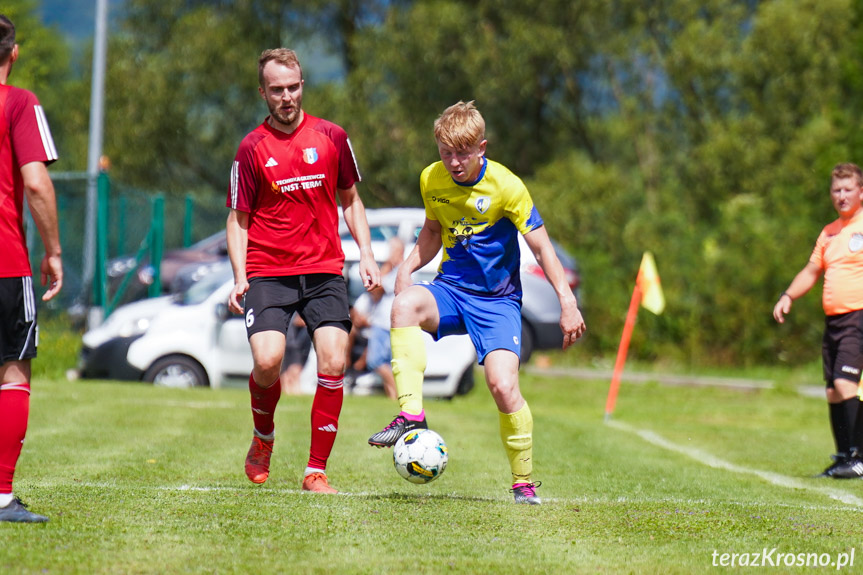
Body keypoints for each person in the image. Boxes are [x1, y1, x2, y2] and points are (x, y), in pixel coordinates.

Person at [367, 101, 586, 504]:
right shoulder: (431, 179)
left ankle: (523, 483)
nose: (453, 162)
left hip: (498, 302)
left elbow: (542, 247)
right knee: (404, 307)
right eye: (446, 152)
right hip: (451, 289)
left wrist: (567, 302)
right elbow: (432, 232)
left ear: (481, 147)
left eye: (462, 153)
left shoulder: (507, 186)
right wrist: (407, 267)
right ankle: (411, 415)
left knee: (502, 386)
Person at [227, 48, 380, 494]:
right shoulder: (251, 147)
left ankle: (316, 470)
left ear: (302, 85)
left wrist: (367, 255)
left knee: (334, 360)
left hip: (324, 271)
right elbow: (238, 218)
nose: (287, 96)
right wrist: (240, 277)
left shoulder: (332, 136)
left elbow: (350, 198)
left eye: (293, 87)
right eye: (277, 90)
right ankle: (263, 436)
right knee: (268, 361)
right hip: (268, 271)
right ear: (263, 93)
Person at [0, 14, 62, 523]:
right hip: (5, 261)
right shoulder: (19, 102)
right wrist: (54, 251)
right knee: (12, 372)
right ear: (13, 54)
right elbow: (37, 184)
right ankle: (0, 497)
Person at [773, 162, 863, 479]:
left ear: (861, 191)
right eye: (836, 190)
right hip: (835, 322)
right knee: (833, 391)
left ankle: (859, 456)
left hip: (858, 317)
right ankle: (843, 457)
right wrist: (787, 295)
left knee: (845, 383)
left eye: (848, 189)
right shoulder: (828, 232)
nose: (841, 196)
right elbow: (811, 272)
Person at [279, 314, 311, 395]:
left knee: (286, 372)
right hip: (296, 343)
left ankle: (287, 392)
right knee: (293, 371)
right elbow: (299, 321)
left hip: (292, 341)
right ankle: (294, 392)